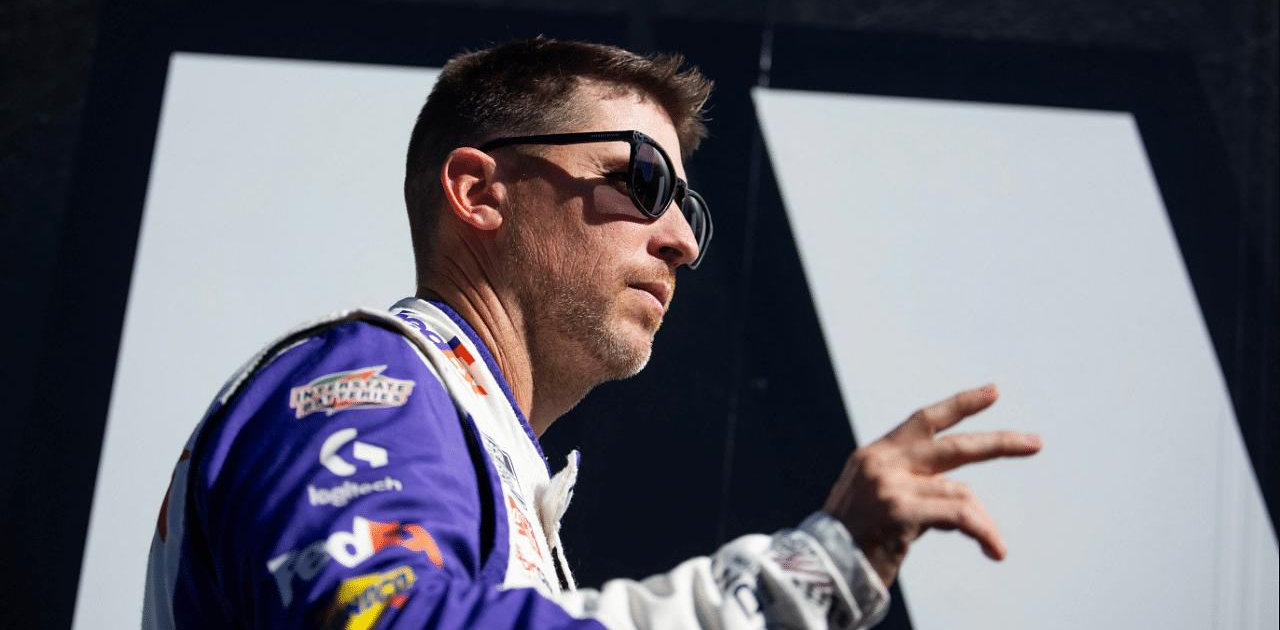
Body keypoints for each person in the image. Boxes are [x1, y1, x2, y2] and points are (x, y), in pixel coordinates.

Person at [143, 38, 1042, 630]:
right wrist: (800, 578)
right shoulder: (374, 376)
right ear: (479, 191)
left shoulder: (478, 444)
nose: (684, 241)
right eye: (640, 179)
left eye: (689, 207)